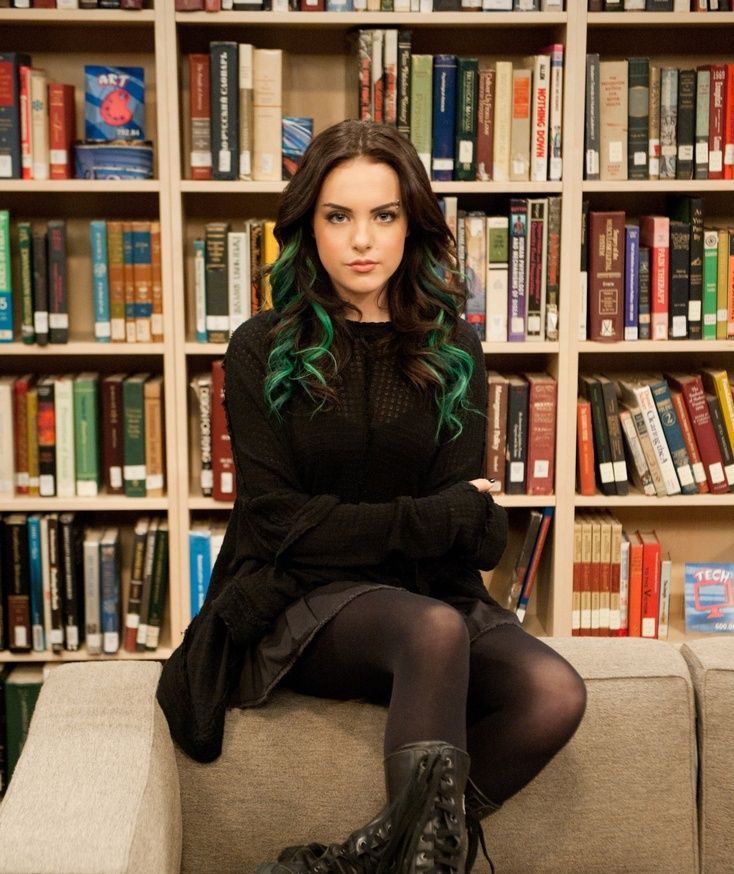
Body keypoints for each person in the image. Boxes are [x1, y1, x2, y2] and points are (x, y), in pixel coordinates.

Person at [157, 119, 587, 873]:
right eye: (339, 216)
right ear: (307, 226)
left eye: (383, 215)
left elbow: (482, 540)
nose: (363, 240)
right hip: (298, 600)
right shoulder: (261, 346)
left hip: (425, 593)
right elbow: (277, 523)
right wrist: (437, 516)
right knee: (430, 630)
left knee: (552, 692)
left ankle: (362, 860)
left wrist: (444, 521)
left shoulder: (453, 346)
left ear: (411, 223)